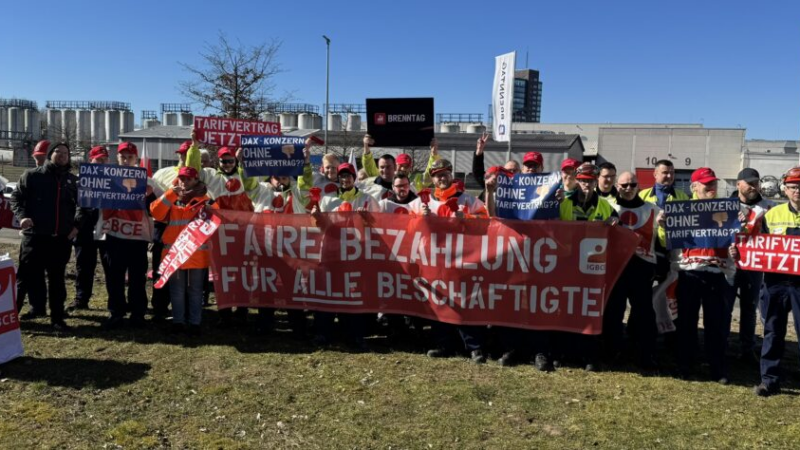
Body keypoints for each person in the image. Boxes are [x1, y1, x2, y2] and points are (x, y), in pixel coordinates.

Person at [411, 158, 489, 363]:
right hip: (435, 262)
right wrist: (420, 218)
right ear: (433, 178)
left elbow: (487, 221)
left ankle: (474, 347)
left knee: (466, 302)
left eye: (445, 173)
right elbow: (403, 225)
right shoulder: (423, 201)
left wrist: (468, 219)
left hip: (463, 261)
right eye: (437, 175)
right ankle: (443, 344)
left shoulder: (468, 200)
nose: (441, 178)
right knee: (440, 302)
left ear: (451, 175)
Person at [11, 142, 83, 330]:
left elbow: (82, 206)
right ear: (50, 155)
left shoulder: (73, 181)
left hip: (60, 239)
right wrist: (22, 217)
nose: (62, 155)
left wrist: (76, 226)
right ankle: (10, 317)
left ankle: (57, 319)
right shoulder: (33, 176)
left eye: (66, 153)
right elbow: (16, 198)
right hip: (34, 237)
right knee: (25, 278)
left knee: (57, 280)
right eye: (58, 151)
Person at [675, 167, 736, 384]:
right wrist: (664, 225)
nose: (711, 187)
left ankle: (717, 369)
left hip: (716, 273)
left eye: (713, 183)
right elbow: (667, 241)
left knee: (716, 325)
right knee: (686, 323)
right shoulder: (681, 210)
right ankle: (685, 365)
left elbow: (735, 239)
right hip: (690, 273)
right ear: (694, 187)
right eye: (706, 183)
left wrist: (736, 245)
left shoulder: (726, 210)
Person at [311, 162, 379, 348]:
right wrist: (317, 216)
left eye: (348, 175)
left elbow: (379, 225)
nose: (345, 179)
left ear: (354, 177)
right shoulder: (328, 199)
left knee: (354, 295)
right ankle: (323, 333)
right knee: (327, 293)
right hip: (331, 253)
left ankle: (355, 334)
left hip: (356, 254)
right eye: (342, 176)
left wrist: (368, 219)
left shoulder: (367, 199)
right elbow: (319, 227)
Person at [558, 162, 618, 371]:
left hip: (592, 268)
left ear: (595, 182)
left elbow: (619, 229)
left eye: (590, 181)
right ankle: (564, 352)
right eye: (582, 181)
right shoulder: (563, 203)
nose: (586, 184)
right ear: (576, 180)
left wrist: (614, 222)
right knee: (565, 309)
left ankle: (588, 355)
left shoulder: (605, 205)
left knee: (589, 311)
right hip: (566, 266)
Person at [605, 171, 662, 369]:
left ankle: (646, 354)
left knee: (644, 314)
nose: (628, 189)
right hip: (616, 268)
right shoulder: (609, 207)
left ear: (638, 186)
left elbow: (663, 240)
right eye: (624, 185)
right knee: (614, 311)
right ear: (617, 186)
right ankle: (612, 351)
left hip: (642, 269)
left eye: (632, 185)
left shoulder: (653, 209)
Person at [98, 142, 158, 329]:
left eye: (130, 157)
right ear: (117, 158)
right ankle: (116, 312)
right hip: (114, 235)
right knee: (114, 277)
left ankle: (138, 313)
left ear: (136, 159)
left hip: (137, 238)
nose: (126, 159)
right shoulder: (107, 179)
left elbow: (157, 209)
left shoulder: (148, 182)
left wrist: (148, 197)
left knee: (137, 278)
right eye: (123, 156)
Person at [150, 166, 214, 334]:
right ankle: (178, 322)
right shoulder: (171, 197)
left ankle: (195, 323)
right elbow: (155, 213)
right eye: (182, 178)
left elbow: (215, 221)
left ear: (196, 180)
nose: (184, 182)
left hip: (197, 254)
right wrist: (171, 194)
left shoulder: (206, 199)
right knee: (177, 290)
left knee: (195, 290)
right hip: (175, 253)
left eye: (188, 179)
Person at [754, 167, 800, 396]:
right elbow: (757, 246)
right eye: (793, 186)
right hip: (776, 282)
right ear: (785, 189)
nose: (797, 191)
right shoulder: (772, 214)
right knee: (772, 330)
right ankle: (769, 379)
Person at [733, 168, 774, 364]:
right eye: (748, 183)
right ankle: (719, 346)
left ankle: (747, 349)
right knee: (723, 308)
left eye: (756, 183)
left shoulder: (769, 207)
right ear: (738, 184)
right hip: (729, 264)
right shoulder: (725, 204)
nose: (753, 187)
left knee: (749, 308)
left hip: (754, 266)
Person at [150, 139, 194, 320]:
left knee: (185, 276)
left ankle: (182, 312)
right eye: (183, 154)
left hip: (188, 235)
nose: (185, 157)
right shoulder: (163, 173)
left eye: (189, 154)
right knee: (161, 271)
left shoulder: (203, 176)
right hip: (163, 230)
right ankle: (159, 309)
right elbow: (153, 203)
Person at [68, 145, 111, 312]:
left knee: (110, 266)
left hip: (107, 228)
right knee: (84, 266)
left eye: (104, 160)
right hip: (84, 228)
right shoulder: (79, 181)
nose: (101, 163)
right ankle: (81, 299)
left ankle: (114, 300)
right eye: (98, 160)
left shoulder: (114, 180)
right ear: (90, 160)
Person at [472, 132, 520, 201]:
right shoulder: (495, 183)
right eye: (509, 170)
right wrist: (479, 151)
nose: (512, 172)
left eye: (515, 170)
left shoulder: (522, 187)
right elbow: (478, 172)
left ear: (520, 172)